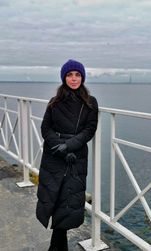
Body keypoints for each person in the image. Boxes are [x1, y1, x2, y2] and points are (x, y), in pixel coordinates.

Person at [36, 59, 98, 251]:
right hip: (54, 156)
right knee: (54, 200)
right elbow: (46, 128)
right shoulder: (54, 102)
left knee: (68, 202)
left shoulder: (90, 102)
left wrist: (69, 146)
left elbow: (89, 130)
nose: (73, 79)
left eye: (77, 75)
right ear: (64, 77)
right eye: (70, 75)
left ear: (82, 77)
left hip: (76, 157)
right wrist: (60, 148)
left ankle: (56, 247)